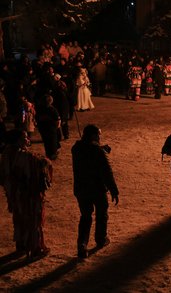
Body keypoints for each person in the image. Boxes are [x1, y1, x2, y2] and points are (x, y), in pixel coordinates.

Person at [0, 129, 52, 258]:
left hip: (14, 195)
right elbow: (42, 164)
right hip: (28, 194)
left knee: (19, 219)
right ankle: (35, 248)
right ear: (17, 140)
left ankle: (21, 245)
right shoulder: (25, 156)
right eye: (24, 137)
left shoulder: (6, 154)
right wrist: (45, 163)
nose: (28, 140)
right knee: (34, 219)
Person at [72, 124, 119, 258]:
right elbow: (107, 172)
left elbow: (87, 152)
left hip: (81, 189)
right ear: (93, 135)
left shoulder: (76, 149)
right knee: (101, 214)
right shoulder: (98, 152)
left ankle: (82, 244)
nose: (100, 137)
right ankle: (101, 238)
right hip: (97, 189)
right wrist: (114, 190)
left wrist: (101, 148)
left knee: (85, 216)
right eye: (98, 134)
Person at [36, 94, 61, 160]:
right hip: (51, 128)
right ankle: (52, 154)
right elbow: (57, 120)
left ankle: (48, 153)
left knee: (46, 141)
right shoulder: (52, 109)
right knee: (52, 141)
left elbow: (37, 118)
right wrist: (57, 127)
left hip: (42, 128)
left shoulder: (39, 109)